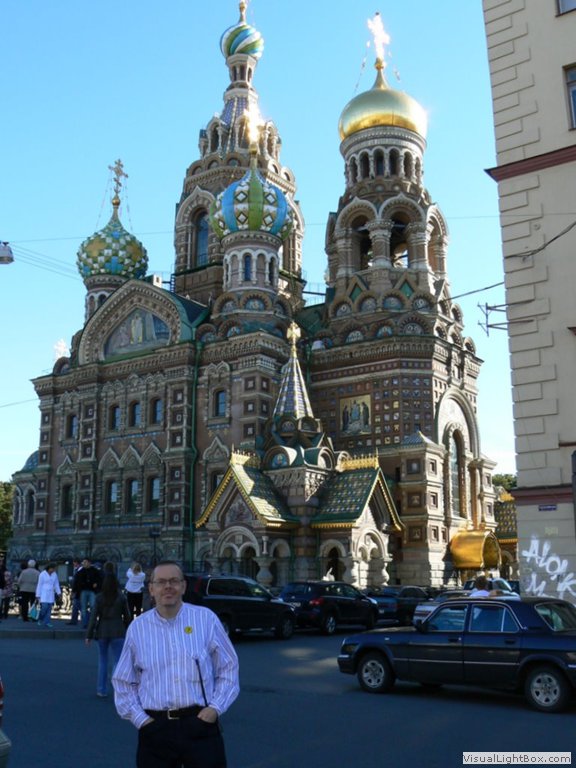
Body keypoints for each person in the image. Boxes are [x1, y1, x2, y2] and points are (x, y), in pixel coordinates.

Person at [112, 560, 239, 768]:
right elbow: (123, 680)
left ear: (183, 586)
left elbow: (229, 667)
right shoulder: (138, 628)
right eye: (161, 582)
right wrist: (141, 720)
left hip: (200, 724)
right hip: (155, 727)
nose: (168, 586)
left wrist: (215, 708)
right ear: (151, 589)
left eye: (174, 581)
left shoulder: (205, 619)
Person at [85, 568, 131, 698]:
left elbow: (93, 617)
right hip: (118, 630)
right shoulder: (121, 597)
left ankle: (101, 689)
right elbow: (127, 617)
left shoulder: (99, 598)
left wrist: (89, 635)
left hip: (102, 630)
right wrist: (129, 631)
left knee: (103, 660)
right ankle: (117, 686)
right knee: (118, 660)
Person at [77, 557, 103, 628]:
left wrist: (97, 584)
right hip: (83, 590)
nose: (83, 564)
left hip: (92, 591)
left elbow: (99, 579)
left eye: (85, 562)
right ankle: (85, 623)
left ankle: (92, 622)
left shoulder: (95, 570)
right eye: (83, 562)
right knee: (83, 608)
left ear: (89, 563)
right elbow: (78, 581)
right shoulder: (81, 571)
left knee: (93, 606)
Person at [35, 563, 62, 628]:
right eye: (53, 569)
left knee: (49, 609)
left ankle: (47, 622)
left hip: (51, 593)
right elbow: (39, 585)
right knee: (44, 608)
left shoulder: (54, 574)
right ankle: (40, 618)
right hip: (43, 593)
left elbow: (56, 584)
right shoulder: (42, 574)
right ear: (49, 568)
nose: (53, 570)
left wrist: (59, 593)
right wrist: (38, 594)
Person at [67, 558, 82, 625]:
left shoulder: (79, 571)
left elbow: (76, 582)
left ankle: (74, 620)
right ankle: (74, 620)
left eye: (74, 563)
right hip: (77, 590)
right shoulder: (77, 570)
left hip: (78, 590)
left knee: (78, 605)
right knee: (76, 605)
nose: (73, 564)